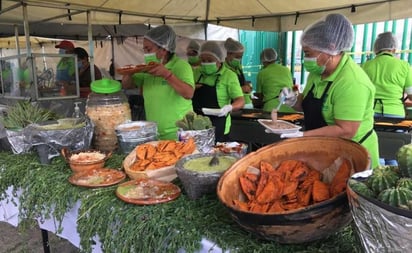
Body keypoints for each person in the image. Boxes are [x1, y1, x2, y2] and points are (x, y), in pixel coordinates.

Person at [278, 13, 380, 169]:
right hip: (327, 149)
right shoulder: (317, 71)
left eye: (308, 53)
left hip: (355, 155)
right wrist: (293, 100)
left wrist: (302, 136)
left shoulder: (352, 82)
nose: (305, 59)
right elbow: (307, 104)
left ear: (330, 48)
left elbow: (346, 131)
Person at [121, 25, 194, 140]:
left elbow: (188, 93)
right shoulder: (147, 69)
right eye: (144, 50)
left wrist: (167, 75)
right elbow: (127, 85)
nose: (145, 53)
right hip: (154, 133)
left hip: (178, 134)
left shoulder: (181, 66)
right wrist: (128, 72)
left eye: (148, 49)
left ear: (163, 50)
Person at [192, 41, 245, 142]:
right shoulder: (195, 73)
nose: (206, 63)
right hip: (197, 124)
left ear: (219, 60)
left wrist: (230, 107)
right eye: (203, 60)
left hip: (219, 123)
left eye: (209, 60)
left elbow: (240, 100)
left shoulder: (229, 75)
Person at [362, 32, 412, 119]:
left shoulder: (366, 66)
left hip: (370, 113)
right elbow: (411, 95)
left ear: (376, 49)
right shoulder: (404, 66)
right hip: (395, 114)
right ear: (394, 49)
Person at [254, 48, 295, 113]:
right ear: (275, 58)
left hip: (271, 107)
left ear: (263, 60)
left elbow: (259, 95)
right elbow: (291, 87)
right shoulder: (286, 69)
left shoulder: (262, 73)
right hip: (289, 105)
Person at [223, 38, 252, 103]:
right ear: (228, 54)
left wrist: (247, 85)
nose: (239, 59)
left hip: (242, 101)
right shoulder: (223, 68)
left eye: (241, 57)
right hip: (230, 103)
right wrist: (240, 89)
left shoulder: (238, 66)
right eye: (237, 57)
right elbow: (222, 91)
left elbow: (242, 81)